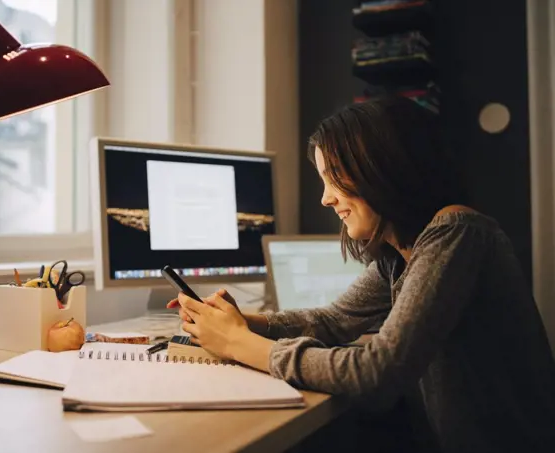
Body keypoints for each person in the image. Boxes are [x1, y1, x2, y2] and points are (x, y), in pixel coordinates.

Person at [167, 96, 555, 453]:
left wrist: (240, 344)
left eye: (333, 175)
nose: (325, 197)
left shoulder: (456, 232)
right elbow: (332, 320)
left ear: (384, 165)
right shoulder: (399, 254)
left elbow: (377, 374)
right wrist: (245, 323)